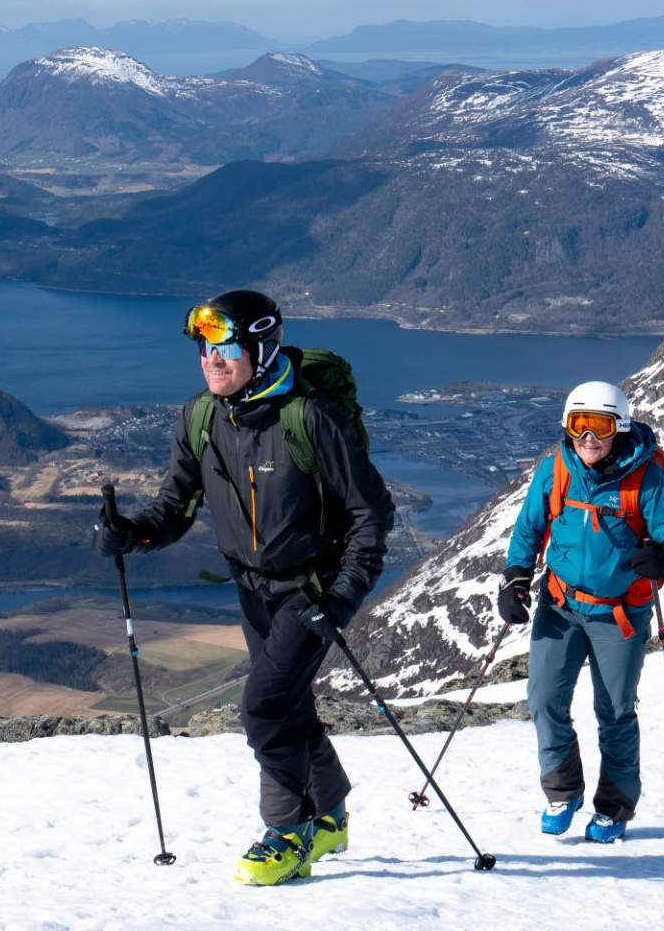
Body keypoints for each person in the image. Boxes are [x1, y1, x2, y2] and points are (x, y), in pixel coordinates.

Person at [93, 288, 395, 886]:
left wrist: (340, 599)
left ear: (260, 347)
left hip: (311, 591)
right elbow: (174, 511)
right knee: (290, 705)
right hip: (251, 590)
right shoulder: (202, 417)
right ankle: (330, 814)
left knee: (262, 709)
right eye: (206, 348)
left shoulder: (307, 418)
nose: (213, 360)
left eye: (227, 347)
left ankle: (287, 832)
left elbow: (372, 513)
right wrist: (131, 535)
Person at [496, 381, 664, 844]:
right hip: (560, 605)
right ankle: (563, 791)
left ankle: (614, 807)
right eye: (578, 425)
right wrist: (516, 576)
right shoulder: (557, 469)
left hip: (620, 614)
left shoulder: (646, 478)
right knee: (544, 700)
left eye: (599, 427)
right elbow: (529, 527)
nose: (588, 438)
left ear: (618, 428)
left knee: (616, 710)